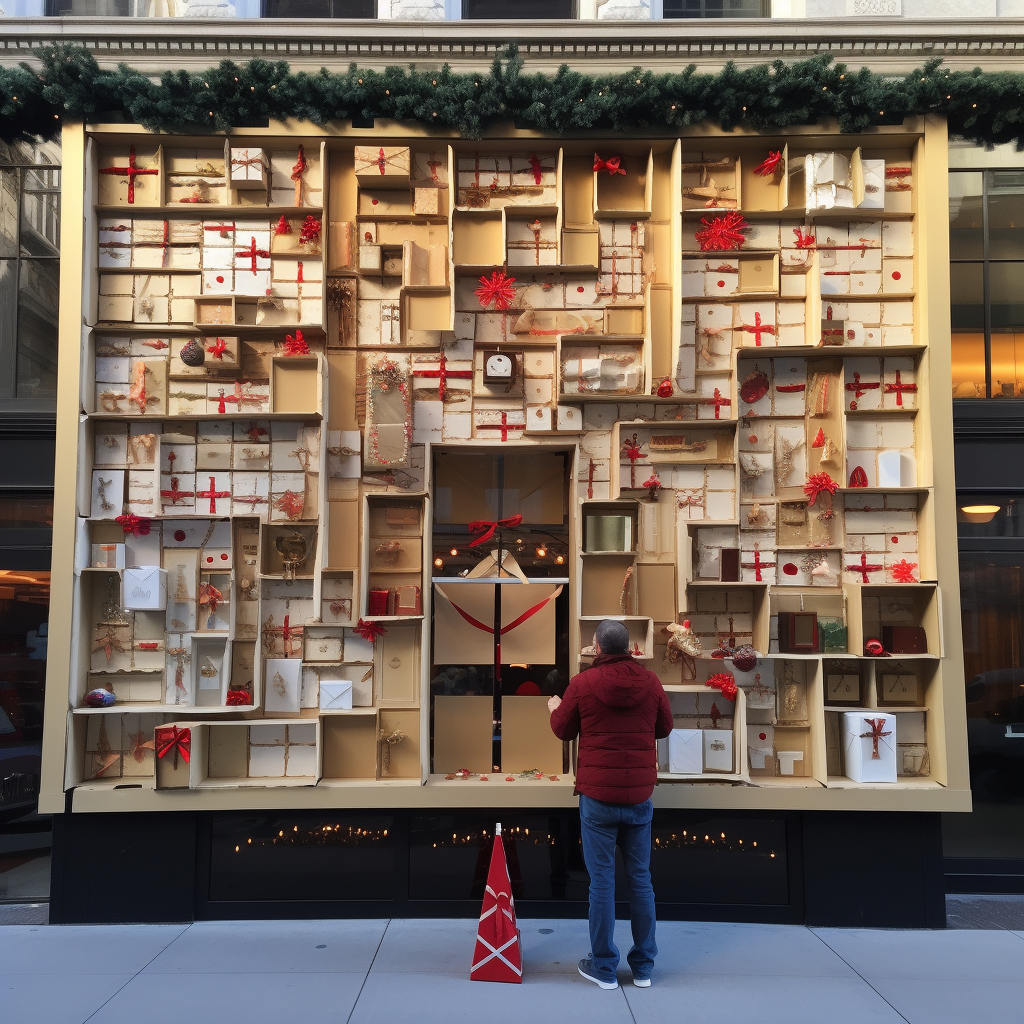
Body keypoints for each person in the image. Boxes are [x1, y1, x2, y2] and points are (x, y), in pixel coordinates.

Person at [548, 618, 673, 991]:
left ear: (596, 646)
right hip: (638, 796)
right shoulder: (650, 682)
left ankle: (603, 967)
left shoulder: (583, 683)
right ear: (631, 648)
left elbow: (563, 731)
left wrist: (555, 707)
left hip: (598, 798)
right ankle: (644, 967)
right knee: (641, 881)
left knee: (601, 883)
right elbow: (664, 728)